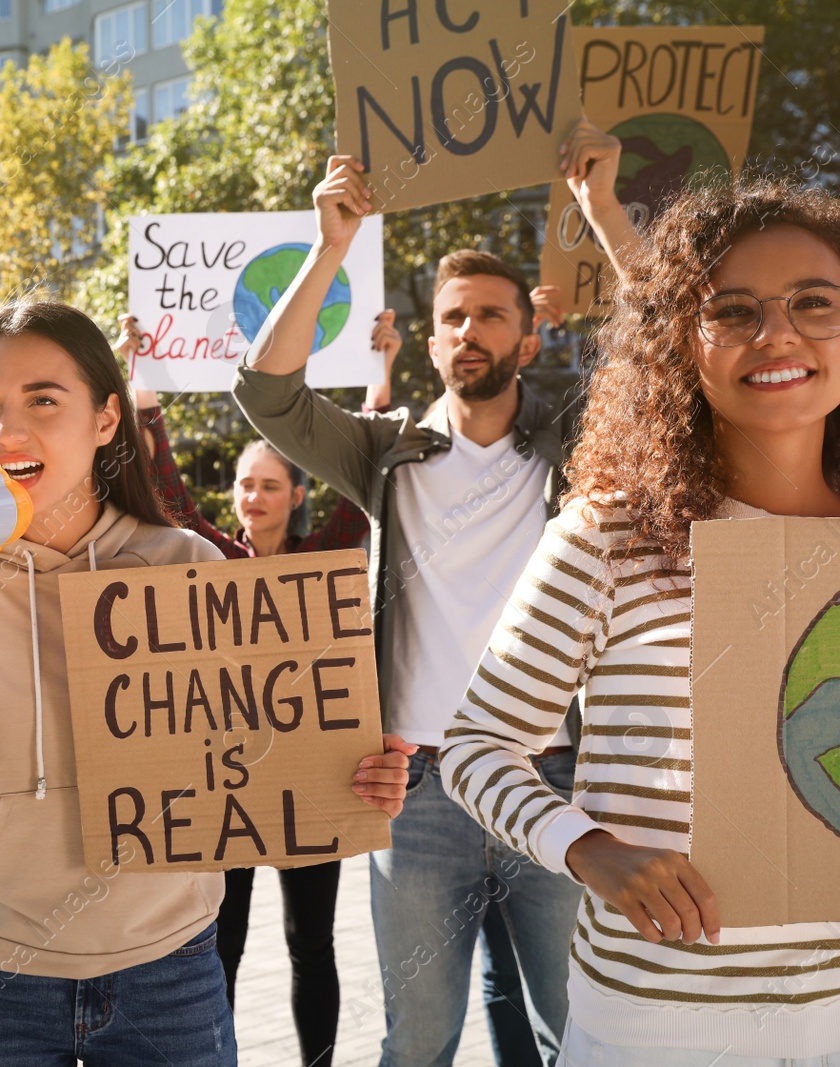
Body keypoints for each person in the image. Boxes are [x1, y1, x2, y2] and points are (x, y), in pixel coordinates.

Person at [0, 299, 416, 1066]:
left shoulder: (188, 567)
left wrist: (351, 775)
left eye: (43, 400)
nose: (8, 431)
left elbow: (263, 755)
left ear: (105, 418)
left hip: (170, 976)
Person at [230, 122, 640, 1067]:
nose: (470, 332)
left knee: (574, 1035)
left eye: (492, 316)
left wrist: (604, 210)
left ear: (528, 337)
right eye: (454, 317)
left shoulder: (575, 442)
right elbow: (267, 390)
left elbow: (669, 345)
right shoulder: (386, 452)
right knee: (415, 1042)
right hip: (416, 791)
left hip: (554, 780)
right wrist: (332, 245)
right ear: (430, 336)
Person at [442, 178, 840, 1062]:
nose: (776, 333)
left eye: (815, 302)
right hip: (657, 1024)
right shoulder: (611, 535)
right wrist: (588, 849)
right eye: (731, 311)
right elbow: (475, 748)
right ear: (678, 348)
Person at [118, 318, 536, 1067]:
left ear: (295, 494)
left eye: (269, 484)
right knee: (224, 939)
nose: (253, 495)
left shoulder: (328, 552)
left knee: (310, 942)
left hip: (308, 779)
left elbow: (370, 481)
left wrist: (381, 367)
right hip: (231, 778)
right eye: (246, 484)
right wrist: (143, 387)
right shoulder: (213, 557)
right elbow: (170, 497)